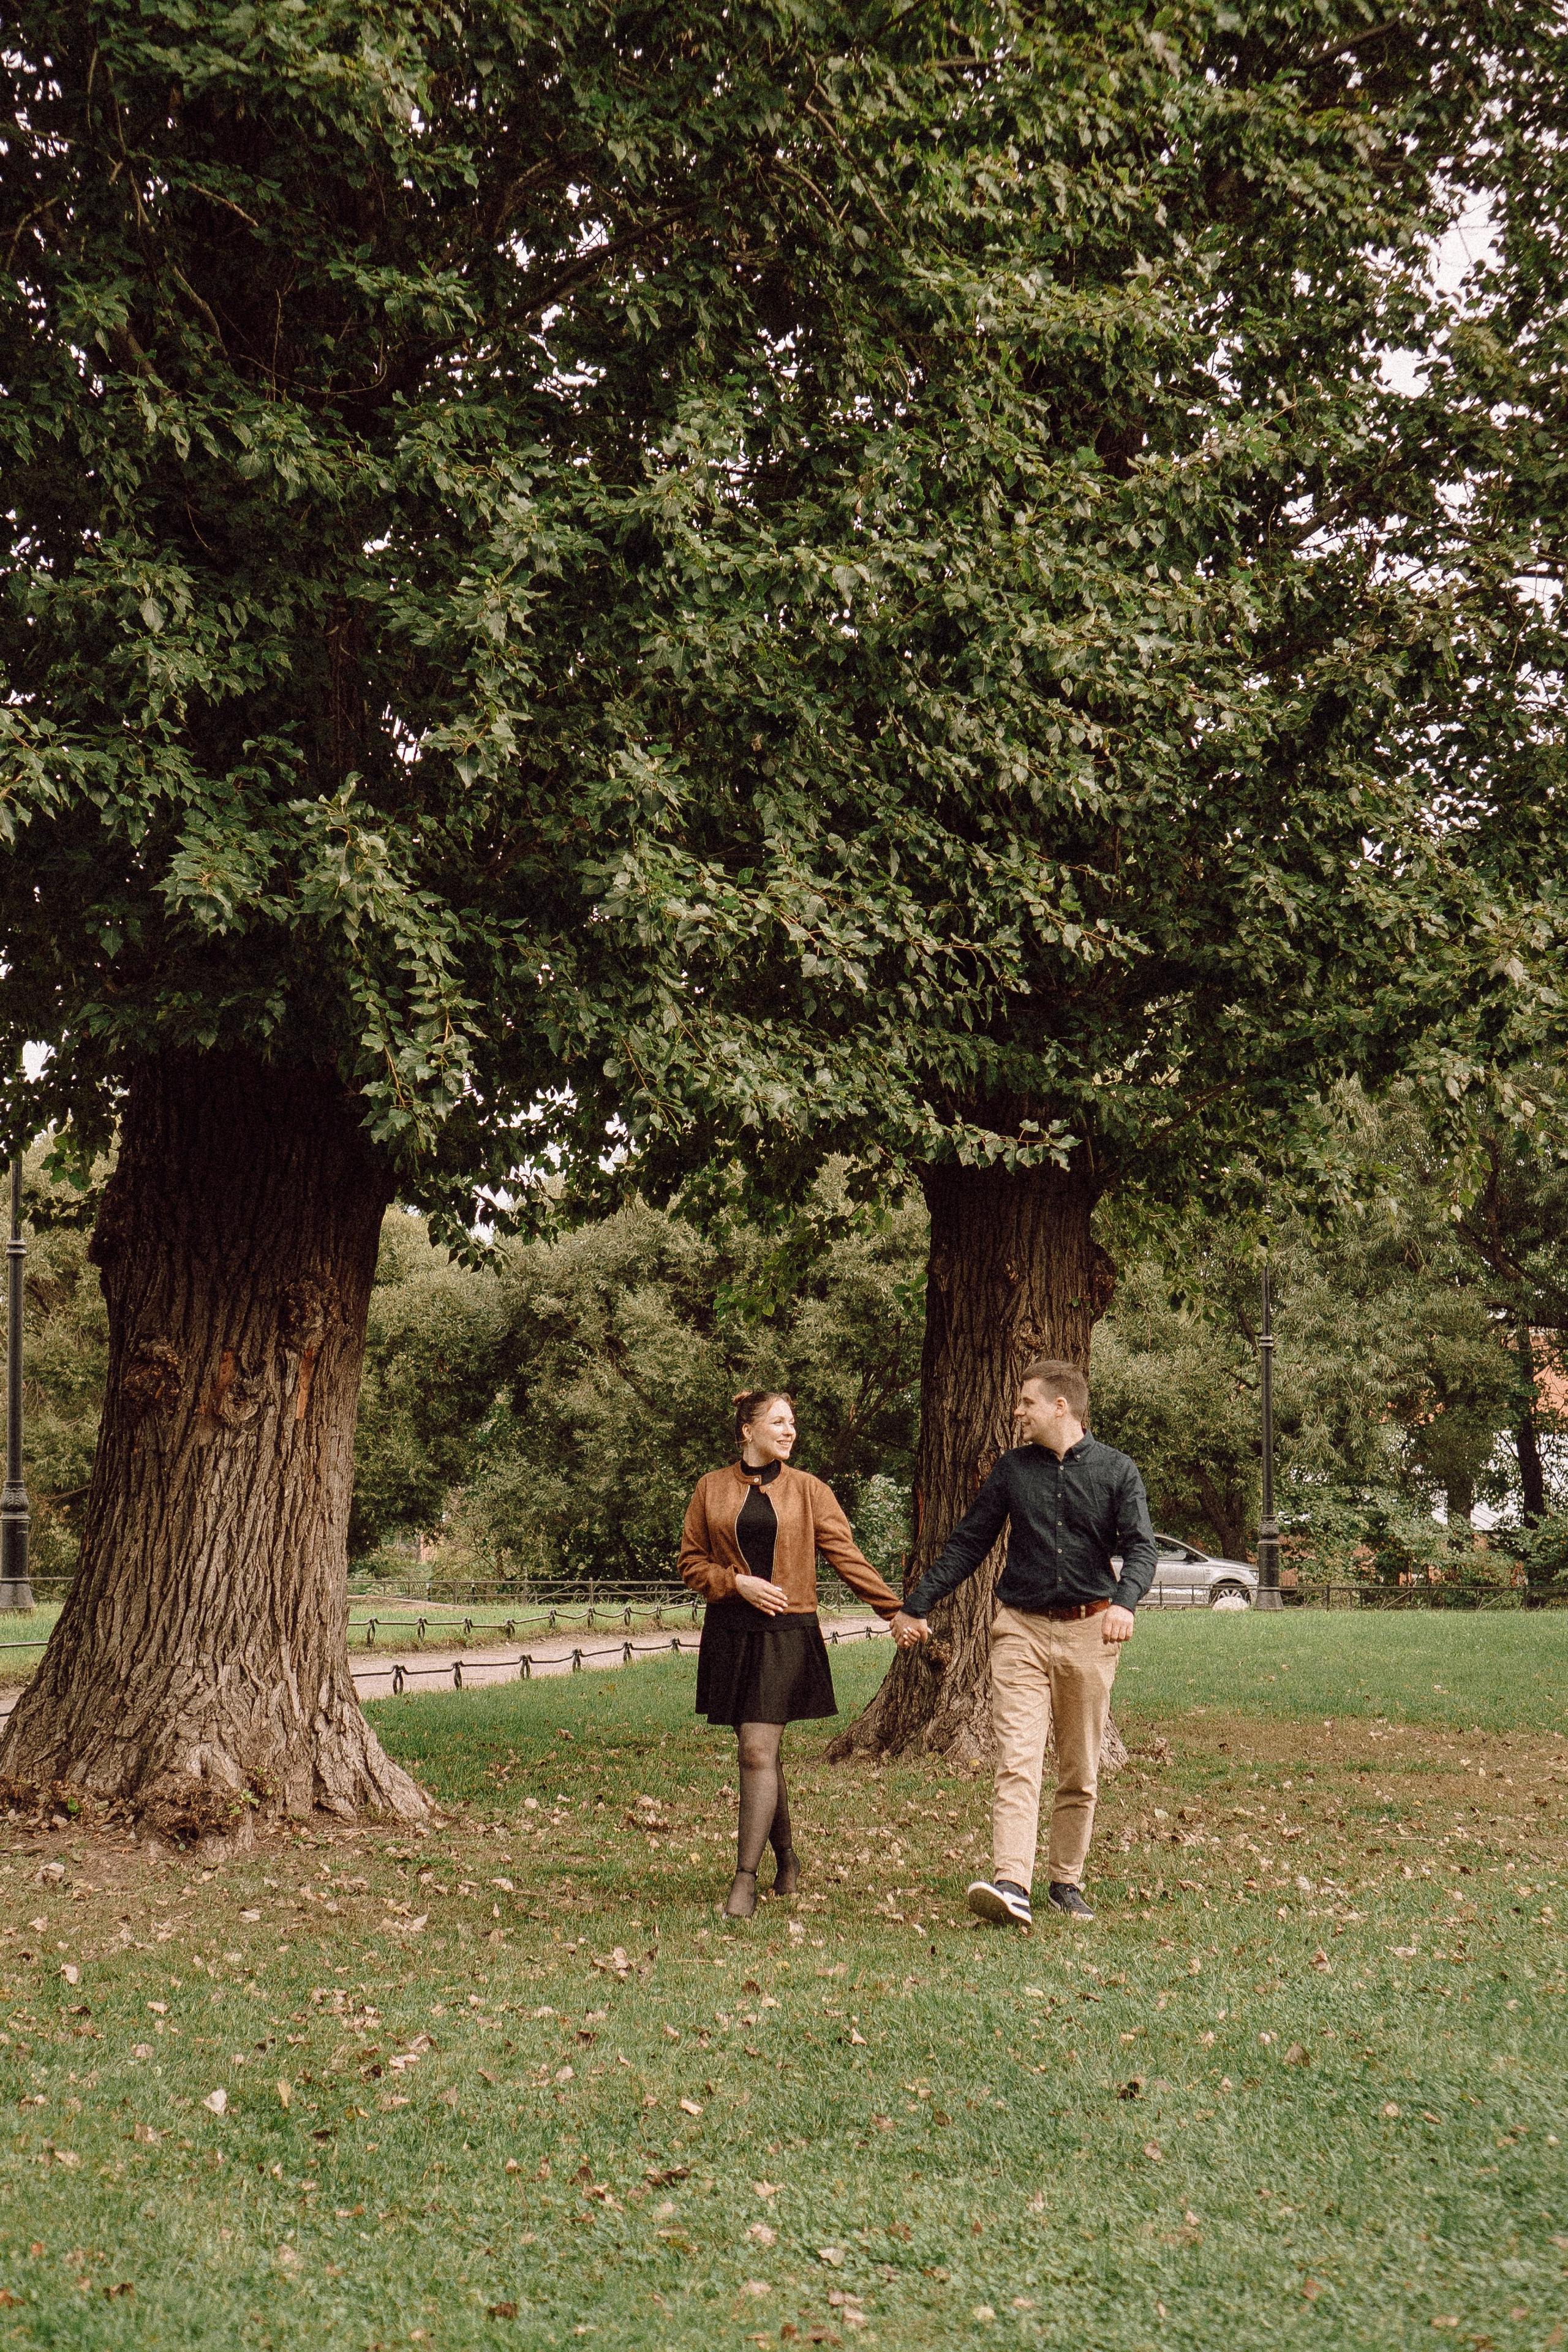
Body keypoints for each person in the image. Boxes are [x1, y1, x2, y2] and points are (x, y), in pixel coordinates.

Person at [891, 1357, 1156, 1928]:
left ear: (1061, 1406)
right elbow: (969, 1544)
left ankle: (1066, 1881)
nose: (1017, 1411)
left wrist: (1125, 1603)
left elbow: (1142, 1548)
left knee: (1080, 1767)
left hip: (1091, 1628)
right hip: (1021, 1630)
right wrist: (916, 1605)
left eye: (1026, 1402)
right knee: (1016, 1758)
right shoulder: (1012, 1471)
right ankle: (1012, 1881)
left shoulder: (1116, 1470)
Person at [680, 1390, 903, 1918]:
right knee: (766, 1754)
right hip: (732, 1632)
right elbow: (691, 1563)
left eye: (793, 1423)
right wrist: (737, 1583)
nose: (790, 1431)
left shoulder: (809, 1490)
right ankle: (787, 1858)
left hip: (787, 1633)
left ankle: (743, 1882)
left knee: (757, 1751)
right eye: (778, 1422)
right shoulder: (710, 1488)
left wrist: (894, 1611)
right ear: (747, 1431)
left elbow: (847, 1556)